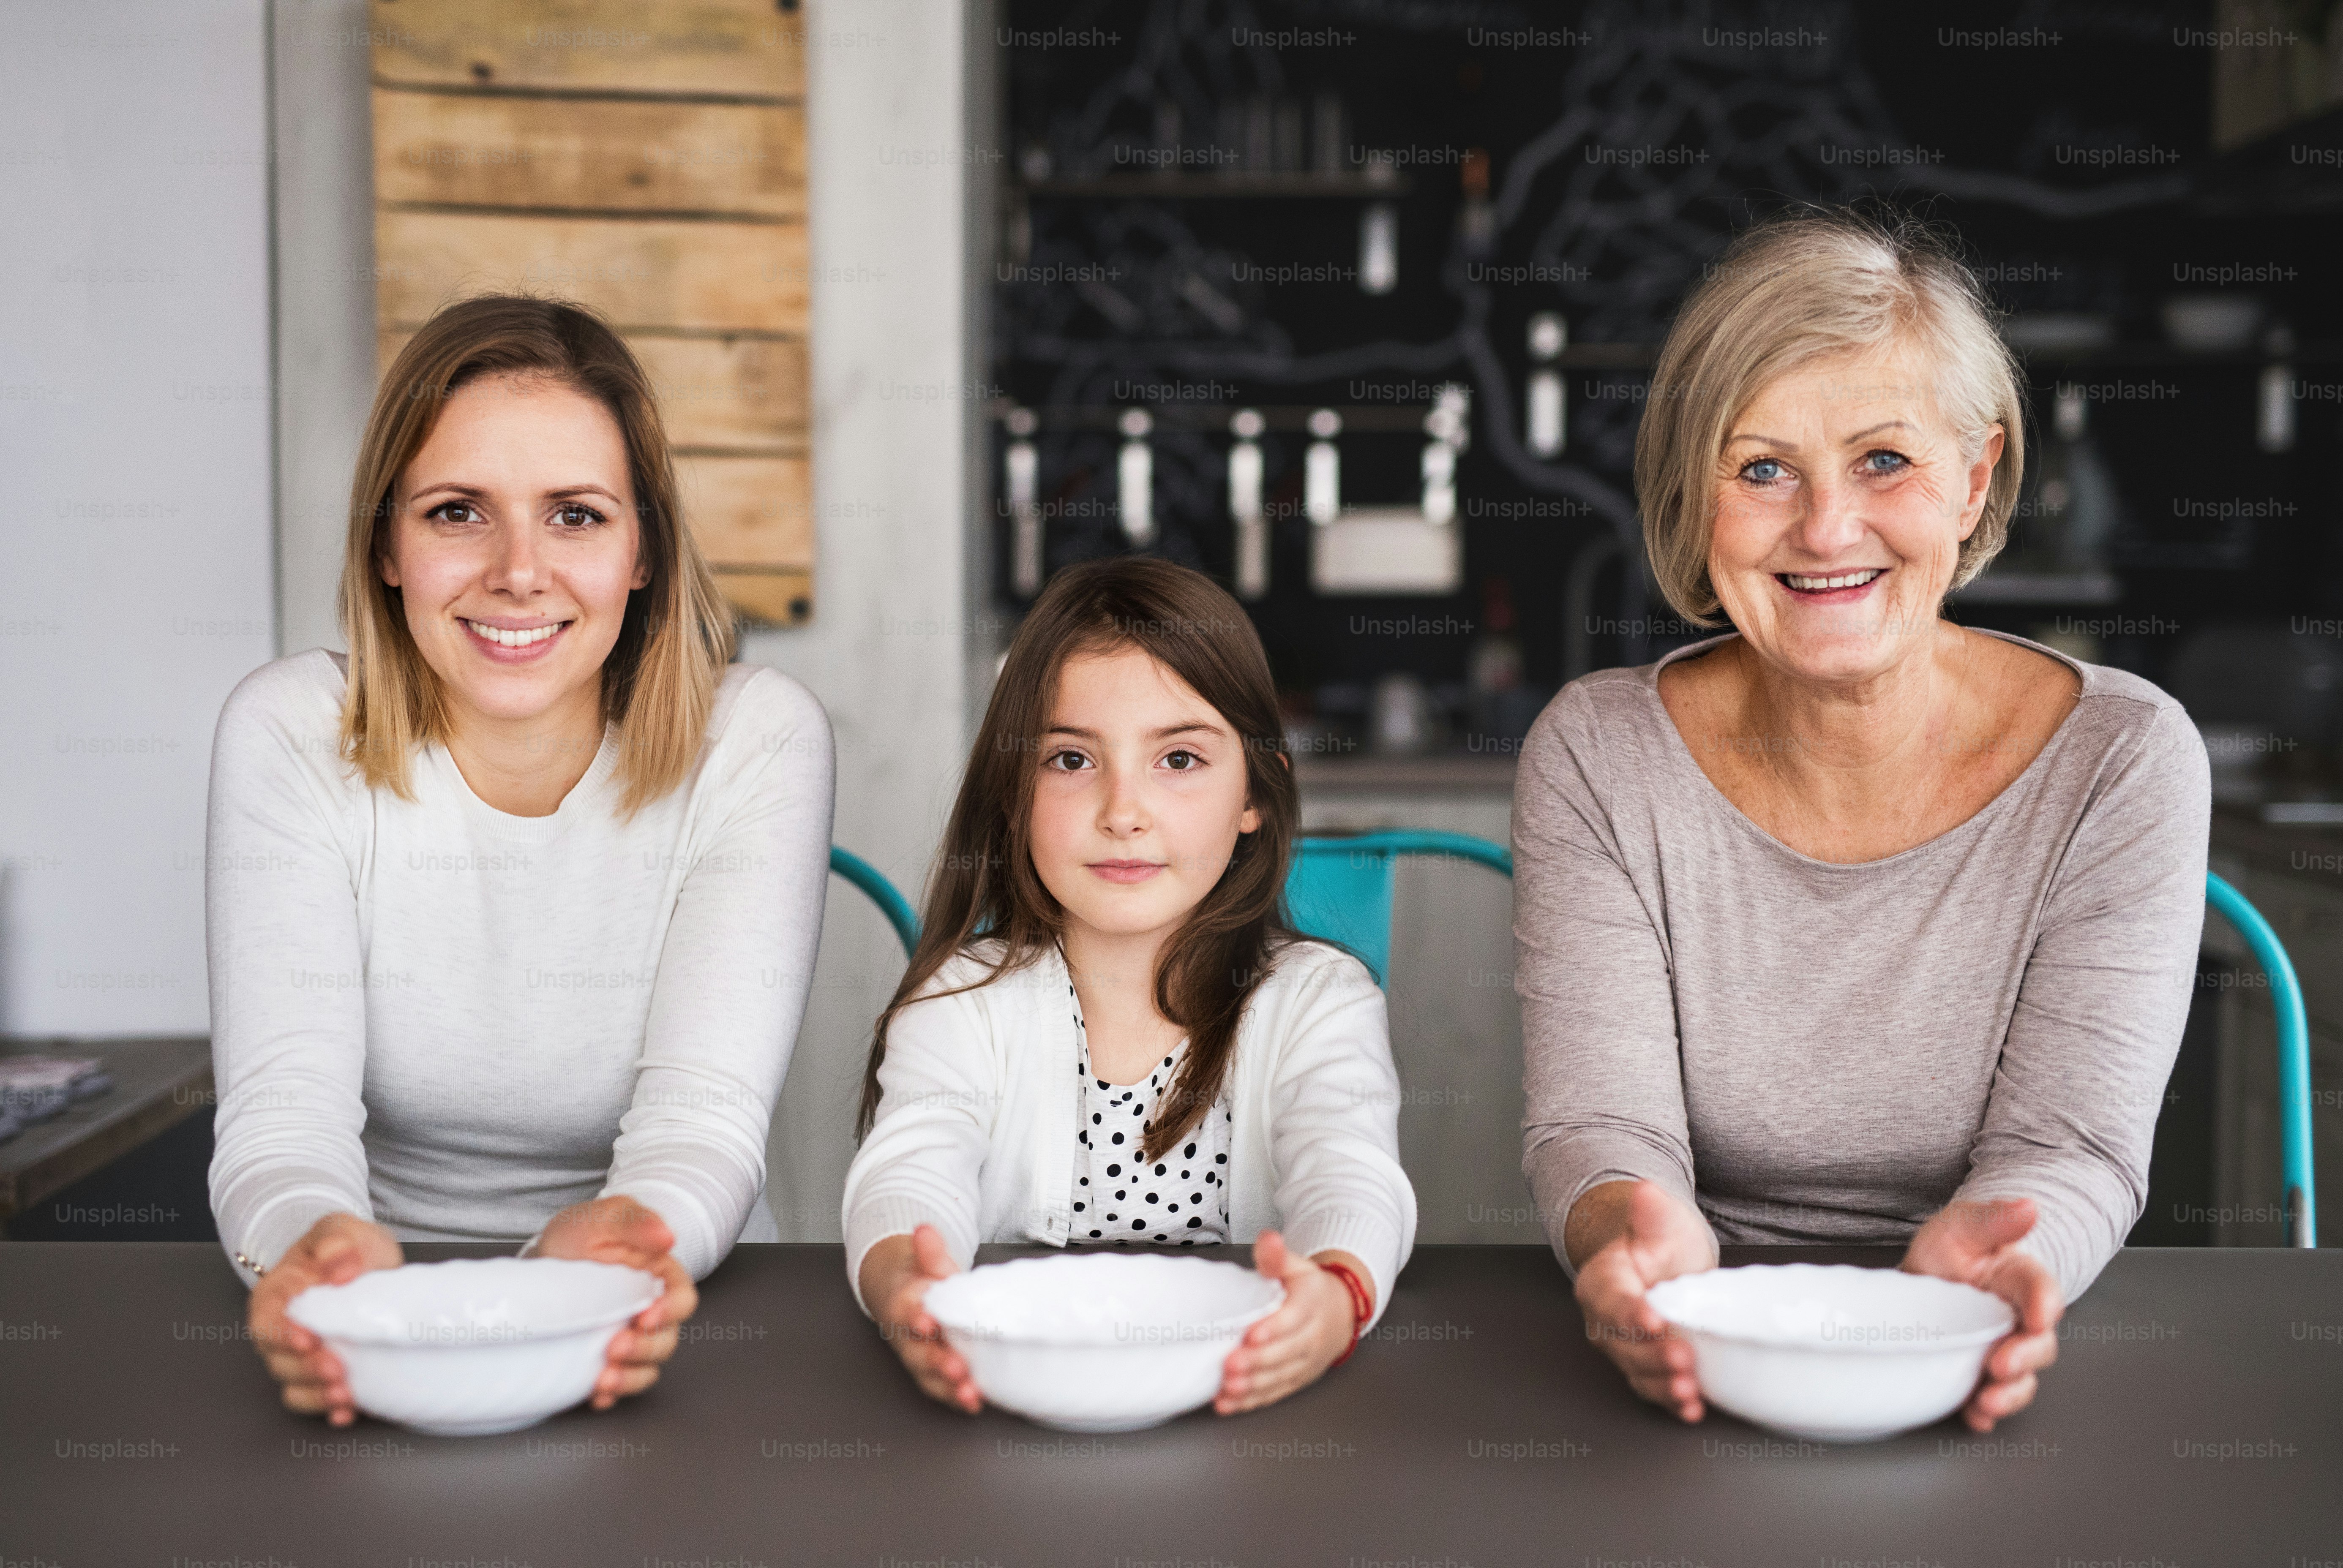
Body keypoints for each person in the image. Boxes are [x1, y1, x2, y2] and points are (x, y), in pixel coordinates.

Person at [1514, 209, 2208, 1432]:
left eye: (1885, 460)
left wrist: (2000, 1267)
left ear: (1977, 477)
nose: (1827, 530)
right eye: (1763, 468)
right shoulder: (1600, 752)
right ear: (1698, 497)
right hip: (1700, 1346)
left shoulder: (2124, 758)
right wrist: (1635, 1237)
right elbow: (1601, 1129)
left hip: (1981, 1350)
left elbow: (2074, 1144)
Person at [205, 296, 833, 1424]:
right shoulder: (288, 730)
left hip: (674, 1314)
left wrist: (621, 1246)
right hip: (388, 1322)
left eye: (577, 517)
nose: (518, 571)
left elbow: (702, 1126)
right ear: (387, 548)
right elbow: (281, 1123)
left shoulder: (759, 738)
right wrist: (316, 1253)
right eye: (457, 512)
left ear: (643, 554)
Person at [842, 557, 1415, 1414]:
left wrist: (1336, 1292)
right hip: (1011, 1401)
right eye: (1072, 758)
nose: (1123, 809)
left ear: (1258, 792)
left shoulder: (1318, 1001)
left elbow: (1349, 1168)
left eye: (1178, 758)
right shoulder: (961, 1000)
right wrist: (905, 1287)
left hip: (1248, 1410)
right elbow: (909, 1170)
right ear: (1014, 793)